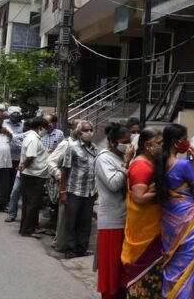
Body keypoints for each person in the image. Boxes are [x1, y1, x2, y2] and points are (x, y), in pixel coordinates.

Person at [153, 123, 194, 298]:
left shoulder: (159, 161)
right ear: (176, 142)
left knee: (173, 262)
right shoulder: (183, 165)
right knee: (189, 264)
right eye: (185, 139)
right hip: (187, 219)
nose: (188, 142)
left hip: (168, 217)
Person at [95, 122, 135, 299]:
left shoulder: (120, 158)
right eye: (124, 141)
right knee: (111, 270)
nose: (128, 145)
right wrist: (126, 162)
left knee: (121, 271)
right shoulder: (104, 158)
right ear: (113, 142)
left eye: (129, 141)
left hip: (125, 218)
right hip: (111, 221)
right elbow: (114, 184)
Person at [122, 128, 163, 298]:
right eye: (159, 143)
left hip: (151, 230)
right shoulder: (141, 166)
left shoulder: (151, 162)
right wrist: (167, 192)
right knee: (145, 285)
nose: (163, 146)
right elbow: (139, 198)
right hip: (144, 236)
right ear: (147, 145)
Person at [61, 120, 98, 259]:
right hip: (74, 190)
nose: (89, 133)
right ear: (79, 132)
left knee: (85, 222)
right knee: (71, 221)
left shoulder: (95, 148)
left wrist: (96, 189)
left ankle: (82, 249)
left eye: (91, 130)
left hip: (89, 191)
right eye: (86, 130)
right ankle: (70, 249)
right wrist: (63, 191)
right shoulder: (73, 148)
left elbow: (95, 170)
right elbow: (65, 171)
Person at [48, 119, 81, 251]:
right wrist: (59, 176)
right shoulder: (66, 144)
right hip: (66, 186)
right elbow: (51, 162)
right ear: (73, 130)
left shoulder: (87, 146)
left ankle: (75, 245)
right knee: (64, 218)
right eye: (80, 128)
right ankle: (60, 244)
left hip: (80, 187)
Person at [19, 116, 50, 238]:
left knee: (29, 203)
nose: (46, 131)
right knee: (33, 203)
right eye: (45, 128)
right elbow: (30, 156)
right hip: (33, 175)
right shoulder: (33, 139)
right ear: (40, 128)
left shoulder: (33, 137)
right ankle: (27, 230)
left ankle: (28, 227)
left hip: (32, 174)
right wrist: (23, 166)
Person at [4, 111, 26, 222]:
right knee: (7, 182)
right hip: (6, 156)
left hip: (19, 160)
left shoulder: (23, 127)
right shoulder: (4, 123)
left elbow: (17, 140)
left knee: (14, 184)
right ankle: (8, 206)